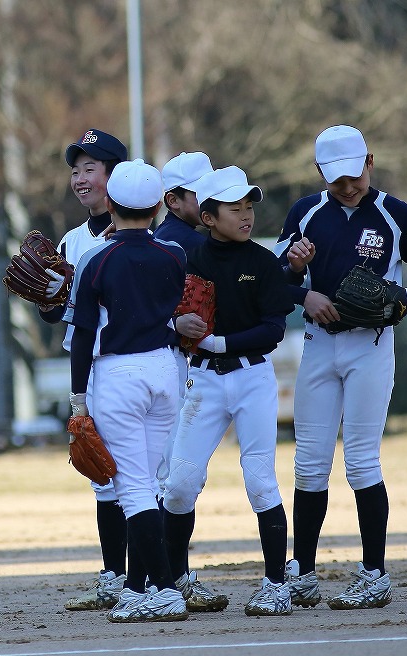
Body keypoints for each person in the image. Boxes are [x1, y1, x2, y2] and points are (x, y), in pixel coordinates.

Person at [275, 125, 407, 609]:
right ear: (320, 174)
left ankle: (374, 575)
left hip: (371, 346)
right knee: (309, 465)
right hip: (318, 344)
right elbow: (275, 279)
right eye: (336, 180)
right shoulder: (305, 212)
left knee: (362, 460)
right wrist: (298, 278)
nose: (347, 187)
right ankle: (303, 573)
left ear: (369, 160)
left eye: (353, 175)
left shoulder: (394, 212)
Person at [164, 166, 296, 616]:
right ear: (208, 216)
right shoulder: (190, 260)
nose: (246, 216)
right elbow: (168, 313)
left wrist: (219, 341)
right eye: (234, 208)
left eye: (249, 207)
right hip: (202, 378)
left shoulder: (261, 262)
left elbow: (273, 329)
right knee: (179, 484)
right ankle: (176, 580)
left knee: (260, 481)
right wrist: (176, 324)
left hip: (252, 377)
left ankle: (277, 583)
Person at [64, 159, 188, 623]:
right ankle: (139, 587)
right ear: (158, 206)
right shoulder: (174, 254)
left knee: (131, 490)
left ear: (110, 204)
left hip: (119, 374)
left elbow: (81, 335)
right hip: (163, 370)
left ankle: (165, 590)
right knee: (149, 484)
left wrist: (79, 398)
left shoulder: (97, 258)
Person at [36, 129, 132, 611]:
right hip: (86, 364)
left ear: (115, 175)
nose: (79, 178)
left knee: (145, 472)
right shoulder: (71, 241)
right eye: (75, 170)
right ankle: (115, 574)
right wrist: (47, 298)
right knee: (101, 470)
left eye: (90, 168)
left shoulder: (137, 232)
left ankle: (159, 573)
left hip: (130, 361)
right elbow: (56, 315)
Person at [153, 151, 230, 612]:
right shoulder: (178, 243)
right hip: (175, 368)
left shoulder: (188, 238)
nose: (211, 200)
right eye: (200, 192)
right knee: (174, 479)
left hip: (176, 367)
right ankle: (171, 577)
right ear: (172, 199)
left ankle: (163, 575)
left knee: (175, 479)